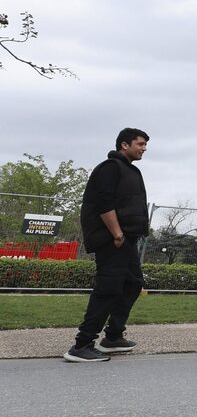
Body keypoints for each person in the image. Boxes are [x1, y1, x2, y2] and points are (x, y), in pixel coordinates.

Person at [64, 128, 151, 363]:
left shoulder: (130, 170)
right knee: (108, 288)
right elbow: (103, 202)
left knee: (133, 283)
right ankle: (82, 345)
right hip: (113, 239)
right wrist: (117, 232)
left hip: (126, 239)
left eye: (145, 145)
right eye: (140, 144)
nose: (144, 148)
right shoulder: (109, 168)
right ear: (124, 144)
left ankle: (112, 337)